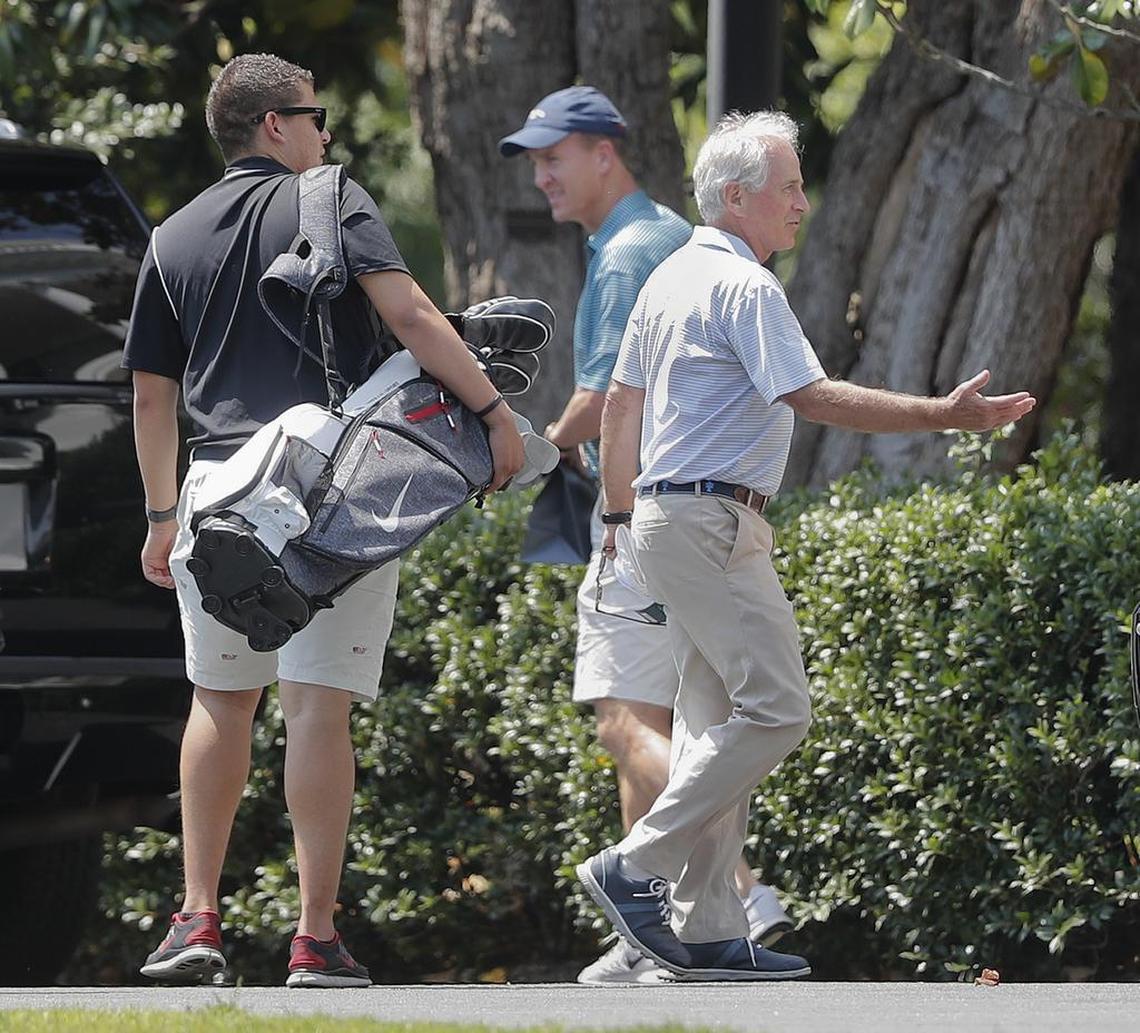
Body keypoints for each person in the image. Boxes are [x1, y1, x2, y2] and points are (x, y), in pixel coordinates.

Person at [582, 110, 1037, 980]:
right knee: (780, 710)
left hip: (664, 520)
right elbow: (812, 394)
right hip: (714, 521)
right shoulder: (746, 287)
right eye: (789, 186)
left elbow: (619, 409)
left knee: (718, 719)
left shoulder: (668, 279)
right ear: (739, 195)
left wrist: (615, 521)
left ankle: (710, 927)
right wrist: (944, 414)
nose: (801, 202)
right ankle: (634, 864)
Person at [124, 53, 523, 988]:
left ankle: (197, 921)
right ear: (275, 125)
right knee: (316, 704)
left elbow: (152, 397)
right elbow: (415, 316)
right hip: (330, 486)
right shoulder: (329, 199)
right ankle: (313, 938)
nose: (326, 135)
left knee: (221, 701)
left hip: (216, 492)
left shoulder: (170, 236)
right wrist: (495, 415)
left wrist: (157, 515)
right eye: (316, 116)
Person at [499, 87, 792, 984]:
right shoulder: (657, 239)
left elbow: (604, 401)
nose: (542, 173)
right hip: (675, 511)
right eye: (536, 157)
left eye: (557, 153)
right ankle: (665, 927)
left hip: (649, 512)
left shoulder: (631, 253)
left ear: (606, 154)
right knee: (673, 712)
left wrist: (521, 456)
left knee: (626, 716)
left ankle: (714, 885)